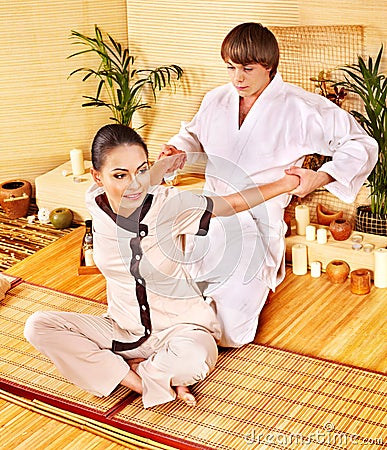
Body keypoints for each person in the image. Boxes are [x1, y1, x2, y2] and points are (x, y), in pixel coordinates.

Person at [24, 124, 299, 409]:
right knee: (38, 326)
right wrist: (162, 166)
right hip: (121, 329)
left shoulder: (170, 205)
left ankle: (121, 371)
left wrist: (286, 184)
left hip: (181, 330)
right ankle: (142, 381)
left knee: (196, 358)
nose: (134, 186)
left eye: (141, 171)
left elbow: (230, 205)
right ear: (97, 177)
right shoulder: (94, 202)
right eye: (119, 175)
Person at [160, 22, 378, 348]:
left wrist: (320, 177)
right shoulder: (217, 99)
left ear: (269, 67)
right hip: (209, 215)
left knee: (228, 328)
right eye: (231, 68)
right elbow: (193, 135)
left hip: (256, 224)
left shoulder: (300, 108)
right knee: (167, 299)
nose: (238, 78)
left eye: (247, 68)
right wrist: (178, 151)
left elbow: (361, 144)